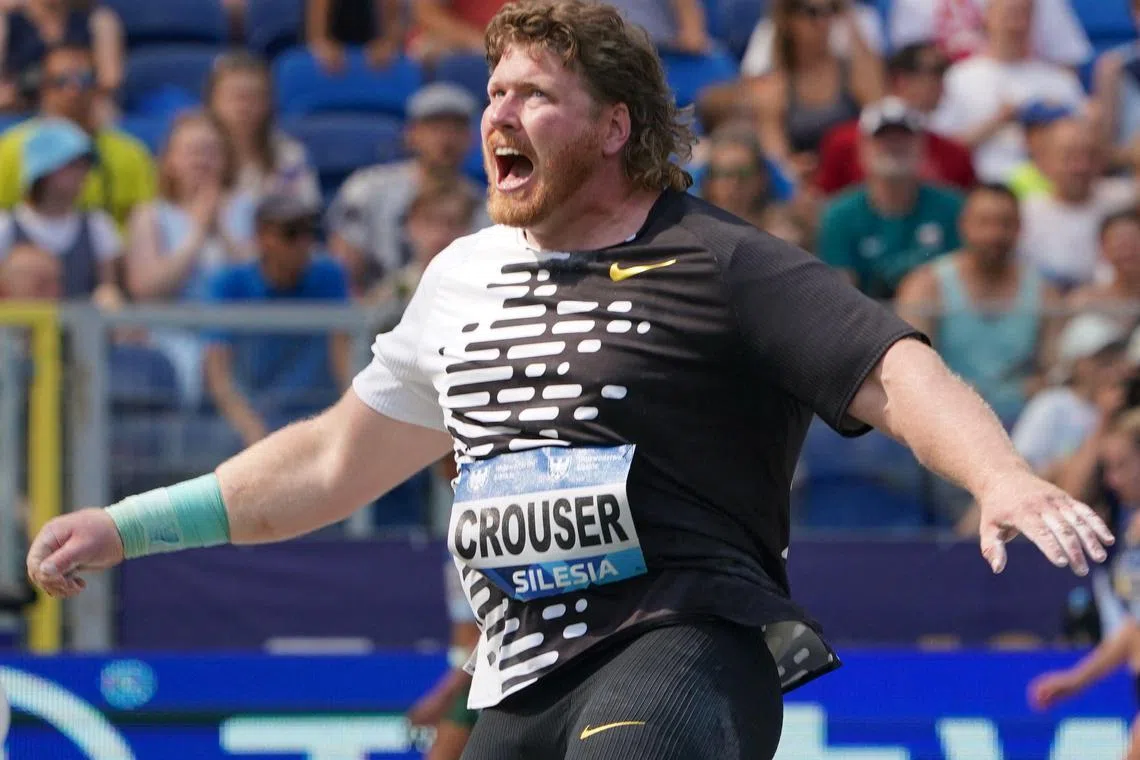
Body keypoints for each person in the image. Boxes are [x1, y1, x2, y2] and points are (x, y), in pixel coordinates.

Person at [25, 3, 1112, 759]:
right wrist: (127, 526)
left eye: (533, 95)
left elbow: (891, 366)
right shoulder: (461, 276)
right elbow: (324, 461)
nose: (497, 114)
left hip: (682, 644)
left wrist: (1002, 475)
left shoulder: (721, 260)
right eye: (492, 90)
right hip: (515, 676)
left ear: (614, 126)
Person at [895, 183, 1060, 428]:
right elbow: (912, 370)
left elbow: (1053, 371)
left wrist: (1039, 386)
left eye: (1005, 223)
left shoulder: (1044, 293)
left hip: (1023, 423)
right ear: (964, 225)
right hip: (944, 420)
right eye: (984, 222)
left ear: (1019, 229)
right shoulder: (926, 286)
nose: (994, 234)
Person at [1029, 409, 1140, 760]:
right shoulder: (1132, 529)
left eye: (1121, 465)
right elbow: (1135, 628)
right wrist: (1076, 680)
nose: (1111, 479)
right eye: (1107, 468)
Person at [204, 193, 351, 448]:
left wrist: (347, 420)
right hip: (251, 420)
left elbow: (344, 359)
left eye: (309, 232)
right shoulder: (230, 284)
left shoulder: (330, 276)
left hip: (317, 418)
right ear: (262, 239)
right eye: (291, 233)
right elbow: (218, 373)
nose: (303, 243)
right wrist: (250, 429)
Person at [327, 82, 490, 295]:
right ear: (411, 134)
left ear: (471, 139)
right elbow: (344, 271)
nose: (446, 139)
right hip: (377, 314)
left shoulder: (488, 207)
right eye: (435, 128)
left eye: (456, 129)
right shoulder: (367, 189)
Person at [817, 97, 964, 299]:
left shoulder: (953, 207)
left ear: (922, 145)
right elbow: (841, 292)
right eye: (883, 138)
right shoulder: (839, 215)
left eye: (904, 137)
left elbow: (964, 281)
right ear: (863, 147)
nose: (894, 146)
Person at [927, 0, 1086, 184]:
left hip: (1047, 190)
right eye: (1009, 13)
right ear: (987, 16)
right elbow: (941, 150)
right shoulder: (957, 78)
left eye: (1023, 13)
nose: (1016, 23)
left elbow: (1082, 146)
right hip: (978, 188)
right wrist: (999, 120)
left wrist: (1053, 120)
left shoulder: (1060, 81)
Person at [0, 42, 155, 228]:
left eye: (84, 79)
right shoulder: (11, 148)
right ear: (43, 89)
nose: (73, 90)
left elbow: (145, 225)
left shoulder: (130, 154)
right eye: (61, 81)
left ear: (97, 88)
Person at [814, 42, 976, 196]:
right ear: (901, 80)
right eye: (935, 72)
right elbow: (824, 201)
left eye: (944, 73)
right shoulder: (843, 142)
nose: (942, 83)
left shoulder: (953, 155)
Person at [0, 116, 122, 302]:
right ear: (43, 171)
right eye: (72, 166)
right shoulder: (5, 227)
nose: (82, 174)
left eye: (84, 166)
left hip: (82, 330)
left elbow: (109, 288)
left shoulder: (98, 225)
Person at [205, 52, 320, 207]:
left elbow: (305, 217)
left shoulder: (289, 155)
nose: (243, 107)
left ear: (268, 103)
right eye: (234, 96)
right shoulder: (196, 154)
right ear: (213, 100)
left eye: (254, 97)